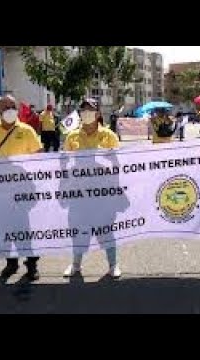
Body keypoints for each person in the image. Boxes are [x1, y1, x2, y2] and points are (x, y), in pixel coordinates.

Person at [0, 95, 43, 282]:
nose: (10, 110)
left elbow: (38, 157)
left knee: (24, 229)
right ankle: (11, 263)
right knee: (5, 228)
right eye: (6, 107)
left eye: (13, 106)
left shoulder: (27, 130)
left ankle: (31, 265)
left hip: (22, 191)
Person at [62, 98, 122, 278]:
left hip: (103, 194)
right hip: (79, 194)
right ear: (80, 114)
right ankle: (75, 265)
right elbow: (65, 167)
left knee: (106, 230)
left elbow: (118, 165)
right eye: (84, 110)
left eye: (91, 110)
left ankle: (113, 265)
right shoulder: (71, 137)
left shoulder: (109, 136)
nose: (87, 113)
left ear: (97, 114)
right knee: (78, 230)